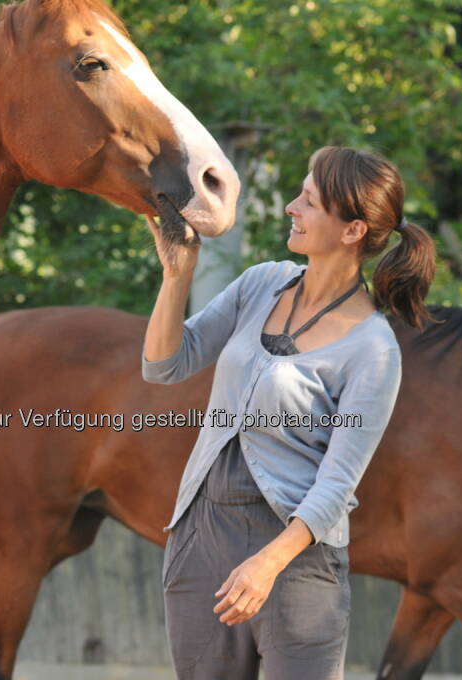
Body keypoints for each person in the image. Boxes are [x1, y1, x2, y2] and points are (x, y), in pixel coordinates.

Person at [142, 146, 436, 679]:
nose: (290, 208)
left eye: (308, 201)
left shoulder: (374, 349)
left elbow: (337, 484)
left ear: (351, 230)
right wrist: (176, 275)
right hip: (201, 535)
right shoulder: (261, 282)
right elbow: (165, 365)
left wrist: (267, 564)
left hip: (296, 561)